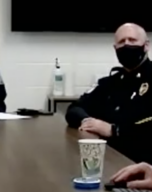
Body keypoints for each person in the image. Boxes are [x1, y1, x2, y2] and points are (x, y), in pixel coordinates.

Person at [65, 23, 152, 163]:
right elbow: (74, 108)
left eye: (132, 40)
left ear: (146, 45)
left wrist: (114, 130)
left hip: (142, 164)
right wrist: (87, 121)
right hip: (108, 158)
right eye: (121, 42)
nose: (126, 45)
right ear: (115, 49)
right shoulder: (110, 83)